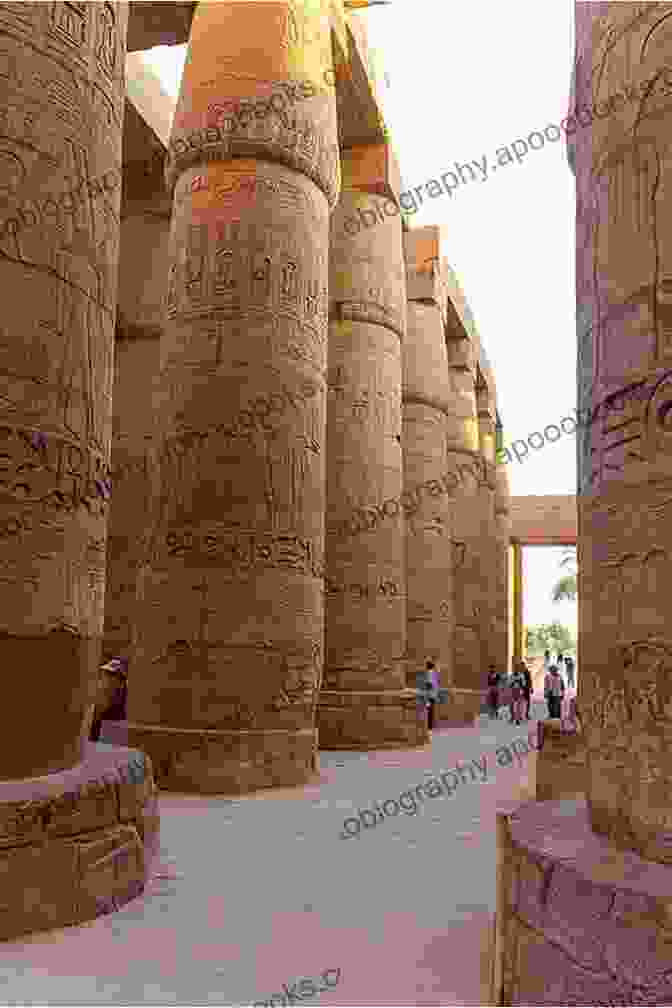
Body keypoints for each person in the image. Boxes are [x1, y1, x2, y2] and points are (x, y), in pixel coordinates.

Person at [420, 659, 439, 732]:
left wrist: (426, 692)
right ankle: (430, 725)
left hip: (429, 695)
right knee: (430, 710)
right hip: (433, 694)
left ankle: (429, 726)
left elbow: (429, 683)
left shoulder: (429, 673)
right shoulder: (433, 673)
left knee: (429, 710)